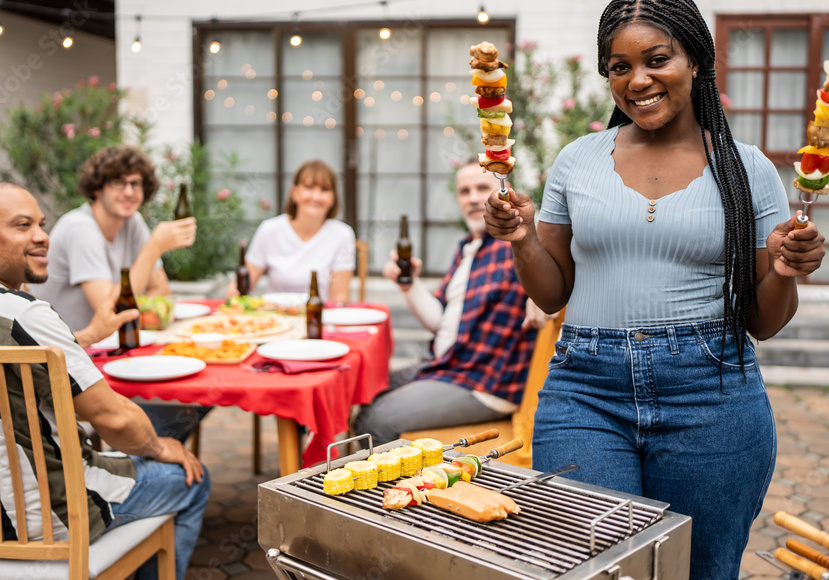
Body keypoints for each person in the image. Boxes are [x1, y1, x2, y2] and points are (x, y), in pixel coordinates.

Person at [484, 0, 826, 580]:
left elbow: (763, 321)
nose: (637, 79)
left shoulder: (746, 169)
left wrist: (781, 271)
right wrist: (521, 239)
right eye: (619, 67)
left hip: (711, 395)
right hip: (587, 391)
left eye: (656, 59)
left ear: (695, 59)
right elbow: (552, 292)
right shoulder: (576, 161)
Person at [0, 181, 210, 580]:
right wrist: (160, 446)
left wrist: (82, 336)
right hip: (54, 517)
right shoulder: (26, 315)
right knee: (191, 477)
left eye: (41, 224)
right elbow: (113, 418)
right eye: (23, 225)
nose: (43, 236)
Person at [353, 158, 548, 445]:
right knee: (364, 389)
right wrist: (409, 285)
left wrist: (541, 293)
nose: (472, 198)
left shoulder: (519, 240)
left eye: (482, 188)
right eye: (464, 191)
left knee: (374, 421)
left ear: (506, 192)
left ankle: (405, 489)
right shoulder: (468, 247)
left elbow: (561, 243)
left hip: (485, 382)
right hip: (448, 364)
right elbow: (440, 321)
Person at [31, 146, 207, 443]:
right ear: (98, 188)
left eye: (135, 183)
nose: (129, 191)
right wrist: (153, 248)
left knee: (201, 390)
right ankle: (139, 464)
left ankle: (152, 457)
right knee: (177, 405)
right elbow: (109, 312)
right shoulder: (80, 228)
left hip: (114, 351)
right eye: (118, 183)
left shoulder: (132, 222)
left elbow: (160, 295)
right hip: (73, 359)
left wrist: (147, 274)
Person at [229, 159, 355, 303]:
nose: (316, 196)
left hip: (317, 318)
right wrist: (234, 291)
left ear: (333, 198)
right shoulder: (270, 229)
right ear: (294, 192)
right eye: (309, 187)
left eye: (325, 189)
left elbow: (339, 299)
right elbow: (243, 284)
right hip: (273, 317)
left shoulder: (342, 235)